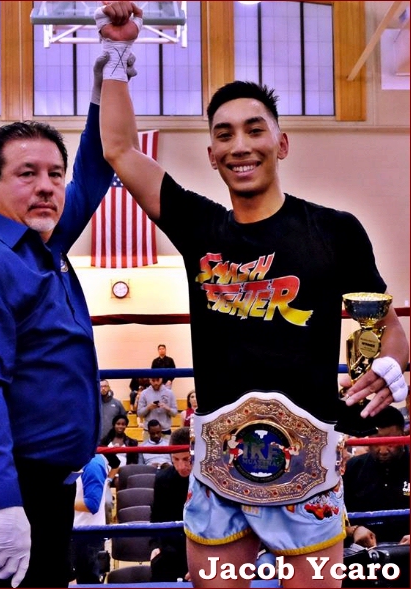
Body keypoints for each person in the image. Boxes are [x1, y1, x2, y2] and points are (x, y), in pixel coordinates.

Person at [95, 4, 409, 587]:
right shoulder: (200, 227)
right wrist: (117, 52)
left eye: (254, 129)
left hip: (308, 465)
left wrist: (391, 364)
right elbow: (119, 149)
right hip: (219, 466)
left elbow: (387, 328)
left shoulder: (335, 231)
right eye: (224, 135)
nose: (240, 145)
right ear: (212, 155)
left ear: (281, 143)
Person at [0, 54, 124, 589]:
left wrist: (105, 81)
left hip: (49, 488)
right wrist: (2, 503)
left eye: (55, 174)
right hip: (6, 491)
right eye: (27, 174)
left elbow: (94, 173)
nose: (48, 186)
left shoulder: (42, 241)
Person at [343, 405, 410, 547]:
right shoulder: (353, 468)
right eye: (376, 442)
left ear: (403, 435)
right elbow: (332, 516)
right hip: (362, 551)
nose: (383, 450)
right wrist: (353, 530)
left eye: (390, 443)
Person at [150, 427, 191, 582]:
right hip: (172, 548)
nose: (181, 466)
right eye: (175, 459)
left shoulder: (210, 480)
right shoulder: (163, 479)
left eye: (186, 459)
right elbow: (157, 517)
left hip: (205, 547)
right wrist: (155, 546)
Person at [69, 454, 110, 585]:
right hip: (74, 533)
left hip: (87, 537)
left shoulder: (93, 464)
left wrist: (59, 500)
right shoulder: (72, 459)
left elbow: (92, 504)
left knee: (87, 581)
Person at [99, 379, 127, 444]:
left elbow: (124, 420)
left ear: (109, 387)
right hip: (96, 440)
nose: (103, 388)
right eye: (101, 386)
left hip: (113, 440)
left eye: (105, 386)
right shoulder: (93, 404)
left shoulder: (117, 403)